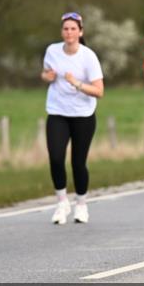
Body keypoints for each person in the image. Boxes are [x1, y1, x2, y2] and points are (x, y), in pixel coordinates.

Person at [41, 13, 104, 224]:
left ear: (80, 32)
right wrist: (46, 77)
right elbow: (46, 74)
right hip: (57, 111)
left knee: (78, 162)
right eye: (65, 29)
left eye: (73, 29)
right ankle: (61, 202)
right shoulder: (52, 50)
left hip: (83, 115)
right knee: (56, 158)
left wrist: (76, 83)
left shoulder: (88, 56)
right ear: (62, 32)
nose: (69, 32)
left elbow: (99, 91)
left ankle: (81, 204)